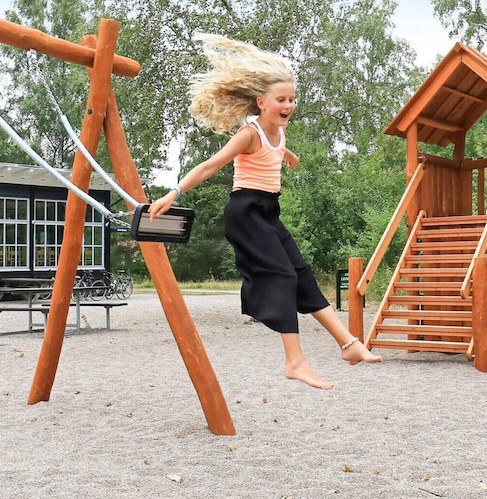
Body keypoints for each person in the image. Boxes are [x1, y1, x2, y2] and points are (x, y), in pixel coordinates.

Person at [148, 33, 381, 389]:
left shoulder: (279, 131)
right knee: (283, 277)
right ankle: (295, 362)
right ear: (261, 102)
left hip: (268, 211)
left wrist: (288, 155)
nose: (288, 105)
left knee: (302, 274)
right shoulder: (249, 133)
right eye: (281, 100)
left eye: (292, 99)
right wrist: (174, 192)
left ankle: (348, 344)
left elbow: (275, 152)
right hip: (245, 212)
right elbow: (211, 165)